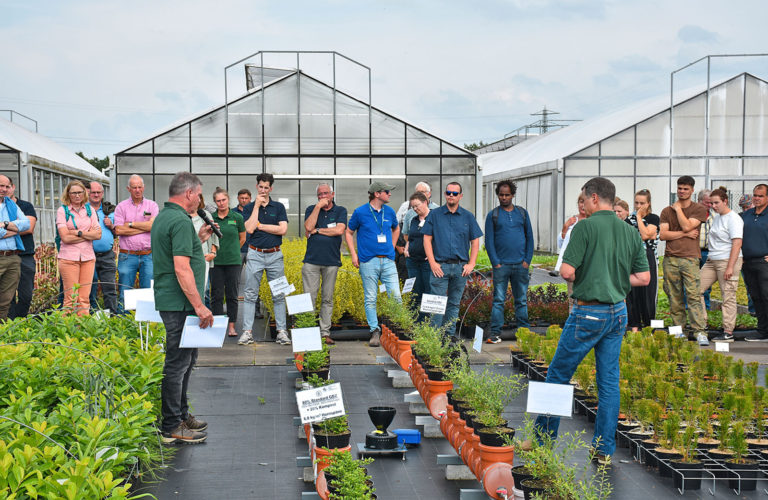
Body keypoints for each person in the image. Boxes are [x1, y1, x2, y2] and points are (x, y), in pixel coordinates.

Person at [533, 177, 649, 466]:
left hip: (587, 313)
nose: (581, 205)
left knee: (558, 376)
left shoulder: (584, 227)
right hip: (618, 313)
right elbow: (644, 277)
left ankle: (541, 443)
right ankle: (603, 450)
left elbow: (568, 272)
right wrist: (614, 280)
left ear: (595, 198)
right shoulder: (629, 231)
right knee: (608, 382)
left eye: (584, 200)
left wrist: (590, 275)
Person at [152, 172, 213, 444]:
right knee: (177, 364)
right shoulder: (178, 220)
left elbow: (175, 253)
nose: (200, 199)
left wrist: (197, 239)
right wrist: (199, 306)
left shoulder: (167, 217)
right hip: (180, 304)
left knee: (186, 361)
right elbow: (180, 267)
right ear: (188, 193)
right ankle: (171, 425)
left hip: (178, 302)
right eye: (199, 194)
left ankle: (181, 414)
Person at [345, 181, 402, 347]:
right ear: (377, 194)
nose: (389, 194)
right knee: (370, 298)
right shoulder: (360, 212)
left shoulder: (389, 211)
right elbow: (349, 233)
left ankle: (397, 327)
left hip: (388, 261)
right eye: (387, 191)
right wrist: (353, 255)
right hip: (368, 261)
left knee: (396, 296)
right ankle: (374, 331)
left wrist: (391, 246)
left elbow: (396, 229)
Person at [423, 181, 483, 333]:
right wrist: (432, 263)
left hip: (460, 267)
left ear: (460, 196)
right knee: (437, 304)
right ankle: (435, 339)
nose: (451, 196)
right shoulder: (434, 215)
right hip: (440, 267)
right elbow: (426, 239)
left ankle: (449, 338)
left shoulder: (468, 217)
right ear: (445, 194)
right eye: (448, 193)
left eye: (455, 193)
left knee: (454, 304)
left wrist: (471, 264)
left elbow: (475, 241)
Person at [239, 173, 290, 346]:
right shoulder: (249, 208)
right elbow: (249, 229)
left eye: (266, 187)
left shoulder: (279, 207)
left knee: (279, 294)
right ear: (257, 187)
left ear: (271, 188)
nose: (263, 190)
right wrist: (256, 208)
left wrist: (261, 226)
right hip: (255, 254)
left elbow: (282, 230)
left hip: (275, 255)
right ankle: (247, 332)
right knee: (250, 295)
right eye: (260, 186)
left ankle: (282, 332)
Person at [660, 176, 709, 345]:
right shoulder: (666, 211)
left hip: (690, 259)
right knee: (674, 296)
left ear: (692, 190)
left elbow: (689, 225)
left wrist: (679, 210)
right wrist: (685, 234)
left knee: (694, 296)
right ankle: (677, 330)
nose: (682, 191)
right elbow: (663, 235)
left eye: (686, 189)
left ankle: (699, 331)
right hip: (671, 259)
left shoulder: (699, 209)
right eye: (680, 188)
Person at [484, 180, 533, 344]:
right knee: (498, 300)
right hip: (501, 265)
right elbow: (489, 241)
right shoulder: (493, 215)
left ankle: (524, 332)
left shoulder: (522, 213)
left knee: (521, 300)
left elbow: (530, 238)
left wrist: (527, 260)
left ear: (513, 195)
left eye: (507, 195)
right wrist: (496, 262)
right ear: (498, 195)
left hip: (521, 265)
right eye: (501, 195)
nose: (504, 198)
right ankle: (495, 333)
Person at [302, 182, 348, 345]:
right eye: (320, 194)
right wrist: (317, 207)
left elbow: (339, 230)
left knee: (327, 299)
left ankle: (324, 332)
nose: (322, 197)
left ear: (332, 194)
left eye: (325, 194)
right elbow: (308, 227)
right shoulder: (310, 209)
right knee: (309, 298)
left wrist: (319, 230)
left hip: (331, 261)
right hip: (312, 261)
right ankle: (308, 331)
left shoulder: (340, 210)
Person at [703, 188, 744, 343]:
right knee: (695, 288)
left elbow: (737, 243)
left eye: (716, 203)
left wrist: (730, 267)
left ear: (725, 201)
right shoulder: (718, 217)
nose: (713, 206)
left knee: (728, 295)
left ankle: (728, 331)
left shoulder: (733, 218)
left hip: (728, 260)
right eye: (711, 203)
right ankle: (702, 324)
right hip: (712, 260)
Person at [114, 175, 159, 311]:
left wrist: (131, 224)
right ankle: (122, 326)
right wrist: (144, 226)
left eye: (140, 187)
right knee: (124, 294)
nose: (137, 190)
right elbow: (119, 230)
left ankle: (147, 327)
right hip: (127, 255)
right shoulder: (121, 207)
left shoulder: (152, 205)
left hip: (148, 255)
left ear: (144, 187)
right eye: (134, 187)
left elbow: (153, 226)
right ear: (129, 189)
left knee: (149, 294)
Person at [56, 180, 101, 316]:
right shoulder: (62, 211)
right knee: (70, 298)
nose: (77, 196)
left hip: (87, 258)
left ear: (84, 193)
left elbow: (98, 234)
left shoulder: (90, 210)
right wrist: (88, 235)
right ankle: (66, 330)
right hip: (68, 258)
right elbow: (65, 237)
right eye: (73, 193)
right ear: (68, 194)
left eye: (79, 192)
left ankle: (82, 329)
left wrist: (79, 233)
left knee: (84, 298)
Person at [211, 188, 246, 338]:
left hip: (233, 262)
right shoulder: (210, 218)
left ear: (228, 200)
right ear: (215, 202)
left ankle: (232, 326)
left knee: (232, 294)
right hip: (216, 262)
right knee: (217, 295)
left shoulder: (237, 217)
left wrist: (232, 250)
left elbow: (242, 238)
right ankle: (218, 327)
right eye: (218, 201)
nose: (221, 203)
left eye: (223, 200)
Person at [624, 189, 660, 331]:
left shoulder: (653, 218)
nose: (638, 206)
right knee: (632, 293)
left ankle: (649, 326)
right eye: (636, 203)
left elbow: (645, 235)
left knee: (648, 293)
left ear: (648, 203)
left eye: (642, 203)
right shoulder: (628, 221)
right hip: (632, 258)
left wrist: (638, 217)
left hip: (648, 256)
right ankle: (634, 326)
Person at [0, 175, 30, 320]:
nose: (4, 189)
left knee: (6, 299)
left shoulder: (11, 204)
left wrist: (5, 224)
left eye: (6, 186)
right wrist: (13, 229)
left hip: (12, 257)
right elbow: (20, 227)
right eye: (1, 186)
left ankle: (1, 333)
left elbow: (26, 224)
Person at [741, 184, 768, 342]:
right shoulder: (746, 215)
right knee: (756, 297)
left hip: (764, 263)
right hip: (747, 263)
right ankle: (762, 330)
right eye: (755, 195)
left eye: (761, 196)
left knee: (766, 296)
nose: (757, 198)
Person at [87, 181, 119, 314]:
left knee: (110, 288)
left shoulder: (110, 210)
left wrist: (111, 226)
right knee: (90, 288)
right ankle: (92, 317)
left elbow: (118, 233)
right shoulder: (83, 210)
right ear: (88, 193)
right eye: (93, 192)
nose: (95, 195)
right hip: (89, 254)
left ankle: (112, 316)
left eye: (98, 192)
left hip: (107, 255)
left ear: (102, 193)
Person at [8, 178, 36, 319]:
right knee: (8, 296)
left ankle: (20, 321)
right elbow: (23, 227)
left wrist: (4, 229)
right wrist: (18, 226)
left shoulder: (25, 206)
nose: (3, 189)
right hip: (5, 256)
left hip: (25, 255)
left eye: (7, 186)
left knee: (26, 295)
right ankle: (10, 326)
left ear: (13, 187)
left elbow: (29, 228)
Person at [553, 193, 587, 301]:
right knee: (572, 298)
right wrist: (565, 227)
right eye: (581, 202)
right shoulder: (572, 220)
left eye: (585, 202)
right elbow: (561, 245)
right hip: (572, 264)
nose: (583, 205)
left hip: (587, 265)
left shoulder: (593, 220)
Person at [404, 192, 432, 315]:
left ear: (425, 202)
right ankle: (415, 320)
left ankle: (427, 320)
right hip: (412, 261)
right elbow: (410, 237)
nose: (415, 209)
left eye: (417, 205)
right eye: (413, 207)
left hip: (427, 262)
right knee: (415, 291)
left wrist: (433, 253)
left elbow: (440, 238)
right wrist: (406, 248)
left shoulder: (434, 218)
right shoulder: (414, 220)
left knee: (428, 291)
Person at [188, 195, 219, 303]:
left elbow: (214, 235)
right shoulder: (183, 216)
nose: (197, 199)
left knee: (204, 290)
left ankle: (203, 316)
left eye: (199, 197)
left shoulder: (206, 215)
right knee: (190, 289)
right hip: (188, 258)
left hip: (204, 257)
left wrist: (213, 253)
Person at [738, 194, 756, 316]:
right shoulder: (739, 219)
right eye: (743, 207)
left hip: (761, 259)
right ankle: (753, 313)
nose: (745, 210)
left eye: (747, 206)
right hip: (745, 259)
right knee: (750, 287)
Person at [698, 189, 714, 310]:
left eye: (711, 203)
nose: (709, 205)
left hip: (709, 252)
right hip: (694, 251)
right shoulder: (693, 214)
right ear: (699, 201)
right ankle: (689, 308)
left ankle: (706, 308)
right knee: (691, 281)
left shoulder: (714, 215)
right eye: (707, 202)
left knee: (706, 283)